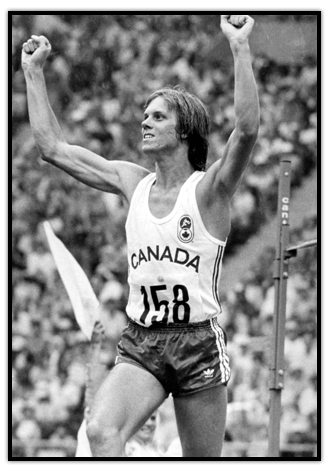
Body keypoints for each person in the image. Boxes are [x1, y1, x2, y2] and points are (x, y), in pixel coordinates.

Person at [21, 14, 259, 457]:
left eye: (157, 116)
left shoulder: (208, 191)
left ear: (184, 131)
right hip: (142, 340)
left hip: (197, 343)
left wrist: (240, 47)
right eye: (144, 115)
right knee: (101, 432)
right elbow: (52, 148)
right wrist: (33, 73)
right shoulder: (133, 182)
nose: (144, 123)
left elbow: (245, 131)